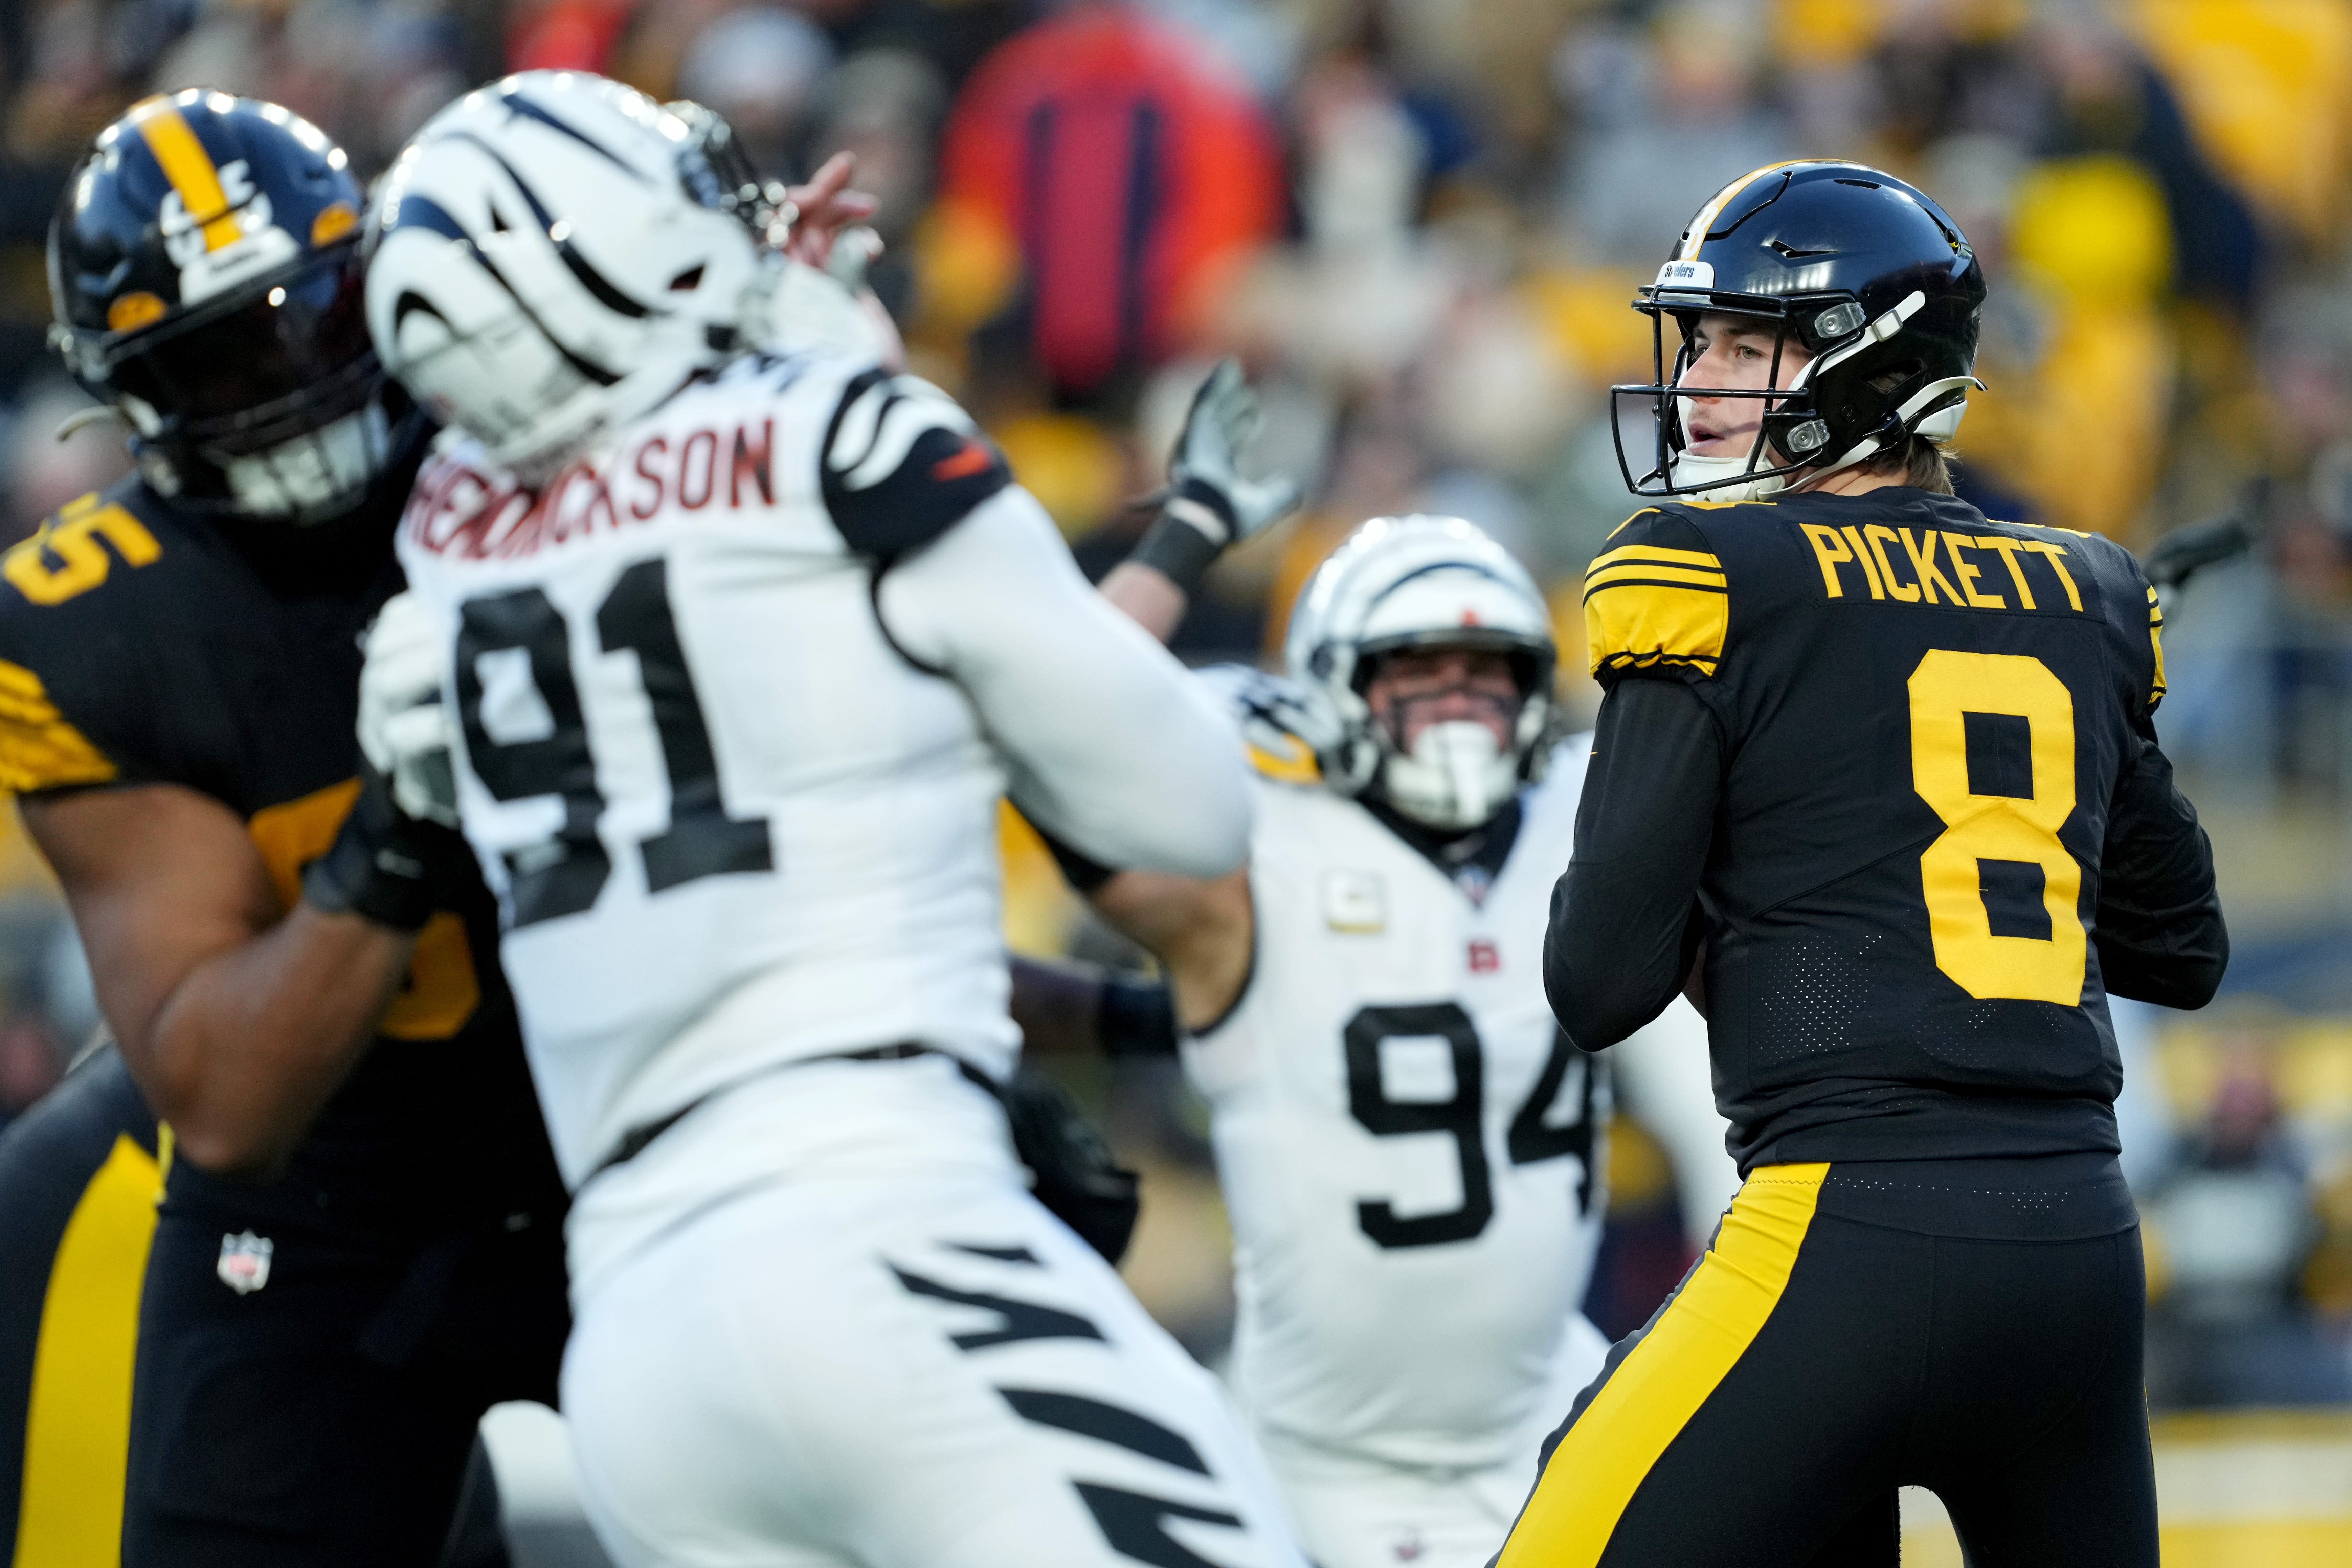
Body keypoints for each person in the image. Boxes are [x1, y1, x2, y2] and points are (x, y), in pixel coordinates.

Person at [358, 70, 1307, 1568]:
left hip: (639, 1348)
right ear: (629, 250)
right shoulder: (846, 443)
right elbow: (1180, 808)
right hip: (873, 1222)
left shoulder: (441, 556)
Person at [0, 87, 872, 1568]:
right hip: (333, 1200)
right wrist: (400, 825)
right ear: (125, 394)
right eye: (219, 357)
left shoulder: (548, 416)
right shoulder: (94, 626)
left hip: (642, 1125)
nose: (285, 378)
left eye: (313, 315)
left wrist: (767, 362)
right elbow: (226, 1101)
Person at [1495, 160, 2226, 1567]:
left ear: (1870, 365)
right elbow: (2179, 951)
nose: (1698, 378)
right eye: (1697, 337)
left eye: (1747, 343)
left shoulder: (1703, 572)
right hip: (2078, 1249)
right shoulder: (2082, 586)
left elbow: (1596, 981)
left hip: (1843, 1234)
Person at [1024, 404, 1618, 1564]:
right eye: (1419, 669)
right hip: (1315, 1465)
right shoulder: (1262, 860)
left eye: (1486, 669)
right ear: (1337, 687)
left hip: (1561, 1411)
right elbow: (1057, 718)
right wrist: (1184, 536)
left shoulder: (1585, 819)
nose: (1458, 699)